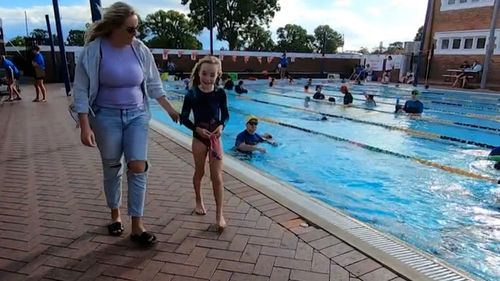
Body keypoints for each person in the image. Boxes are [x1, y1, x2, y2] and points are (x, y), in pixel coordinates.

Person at [72, 1, 180, 246]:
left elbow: (153, 83)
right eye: (130, 29)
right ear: (114, 27)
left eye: (137, 29)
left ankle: (137, 226)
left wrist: (170, 109)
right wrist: (85, 125)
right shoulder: (93, 51)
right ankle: (115, 214)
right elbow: (80, 90)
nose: (136, 34)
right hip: (105, 116)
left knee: (138, 166)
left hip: (137, 116)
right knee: (112, 167)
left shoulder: (139, 49)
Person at [180, 56, 229, 232]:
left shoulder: (220, 93)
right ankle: (199, 200)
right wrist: (196, 130)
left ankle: (219, 214)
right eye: (205, 74)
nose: (208, 78)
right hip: (199, 138)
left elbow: (226, 115)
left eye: (212, 75)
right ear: (198, 73)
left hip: (215, 138)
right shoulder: (192, 93)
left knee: (217, 176)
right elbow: (184, 117)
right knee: (200, 172)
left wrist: (222, 126)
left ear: (218, 75)